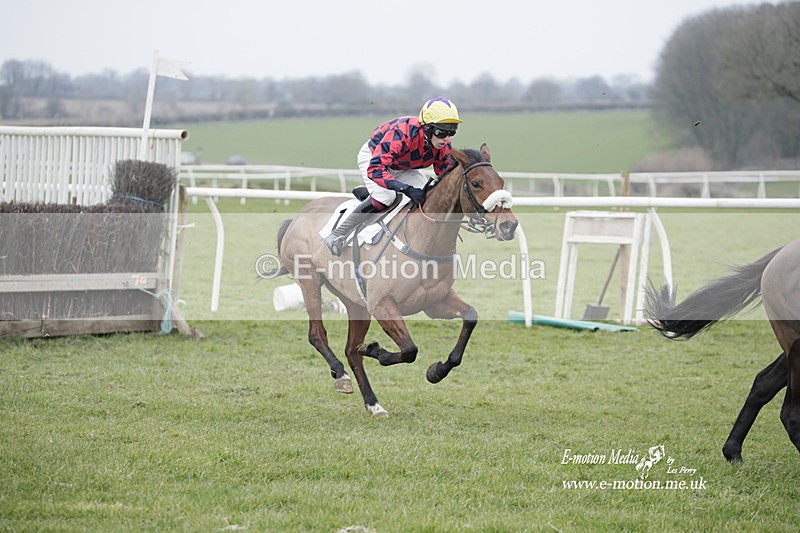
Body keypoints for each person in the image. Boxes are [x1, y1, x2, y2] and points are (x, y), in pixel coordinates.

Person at [324, 97, 462, 256]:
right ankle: (337, 234)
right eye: (441, 132)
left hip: (405, 166)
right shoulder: (402, 133)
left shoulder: (443, 144)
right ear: (427, 128)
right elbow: (375, 169)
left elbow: (445, 174)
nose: (446, 138)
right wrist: (405, 188)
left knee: (426, 197)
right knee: (386, 197)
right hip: (376, 159)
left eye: (451, 132)